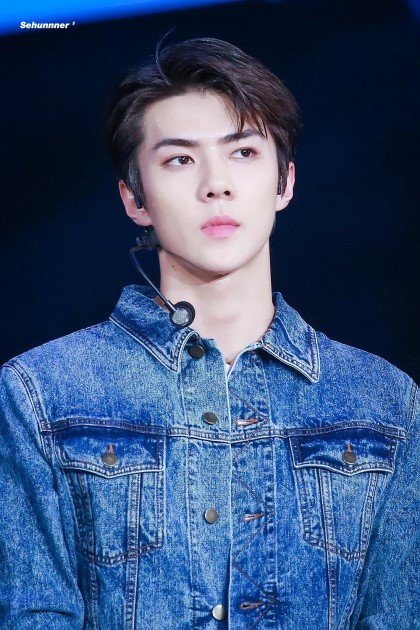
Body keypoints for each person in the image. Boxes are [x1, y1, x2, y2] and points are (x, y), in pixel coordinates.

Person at [0, 37, 418, 630]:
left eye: (243, 152)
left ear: (284, 183)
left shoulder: (384, 402)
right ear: (134, 198)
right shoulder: (42, 393)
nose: (216, 185)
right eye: (180, 160)